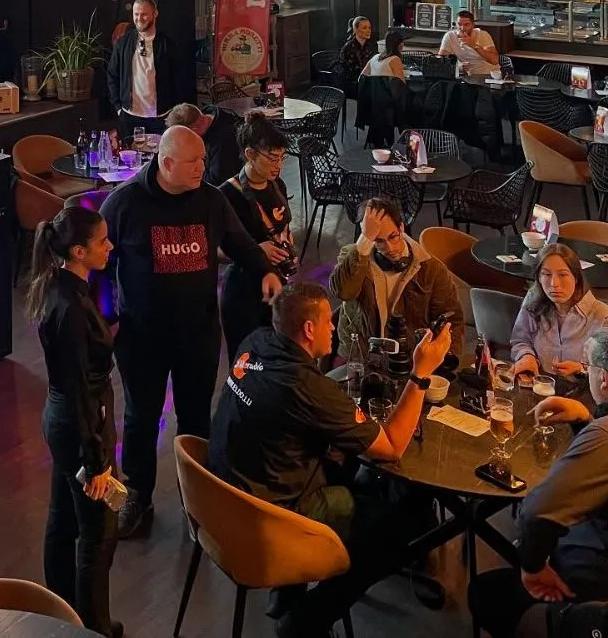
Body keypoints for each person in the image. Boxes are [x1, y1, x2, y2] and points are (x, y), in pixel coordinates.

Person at [208, 282, 452, 638]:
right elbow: (392, 447)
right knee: (400, 528)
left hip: (222, 497)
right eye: (327, 321)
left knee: (349, 467)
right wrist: (420, 373)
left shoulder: (255, 342)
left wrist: (322, 438)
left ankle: (287, 591)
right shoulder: (306, 388)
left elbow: (278, 415)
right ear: (309, 329)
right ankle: (306, 621)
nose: (333, 327)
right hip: (271, 518)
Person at [100, 124, 280, 539]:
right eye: (194, 161)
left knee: (196, 418)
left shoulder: (211, 201)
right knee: (142, 420)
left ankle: (196, 497)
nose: (204, 166)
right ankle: (138, 497)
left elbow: (239, 243)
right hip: (142, 338)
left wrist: (265, 272)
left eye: (203, 159)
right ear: (166, 164)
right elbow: (99, 265)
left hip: (197, 333)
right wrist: (108, 317)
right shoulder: (124, 204)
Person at [470, 326, 608, 638]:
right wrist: (586, 420)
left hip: (603, 595)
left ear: (604, 379)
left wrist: (533, 567)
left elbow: (536, 512)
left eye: (587, 368)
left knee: (485, 592)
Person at [28, 204, 119, 636]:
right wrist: (97, 459)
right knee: (98, 533)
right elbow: (83, 389)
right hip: (80, 425)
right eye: (102, 242)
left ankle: (61, 617)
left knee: (62, 518)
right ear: (80, 251)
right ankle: (94, 629)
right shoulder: (73, 309)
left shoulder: (62, 290)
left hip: (62, 419)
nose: (110, 247)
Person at [330, 196, 464, 364]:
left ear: (401, 227)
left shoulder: (431, 269)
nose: (390, 248)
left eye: (393, 237)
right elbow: (344, 291)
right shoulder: (353, 256)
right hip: (359, 357)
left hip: (409, 361)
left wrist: (446, 361)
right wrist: (364, 242)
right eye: (379, 241)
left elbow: (453, 320)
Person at [219, 114, 296, 362]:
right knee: (244, 362)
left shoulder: (277, 185)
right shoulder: (227, 194)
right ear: (250, 154)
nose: (278, 166)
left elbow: (281, 225)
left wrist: (286, 241)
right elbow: (213, 250)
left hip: (276, 285)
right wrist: (254, 250)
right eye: (272, 158)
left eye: (282, 158)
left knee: (274, 358)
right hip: (243, 292)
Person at [511, 242, 608, 380]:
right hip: (540, 384)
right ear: (538, 278)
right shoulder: (534, 300)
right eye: (546, 274)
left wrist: (582, 369)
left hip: (584, 392)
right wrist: (527, 356)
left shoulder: (602, 316)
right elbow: (520, 340)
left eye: (563, 275)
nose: (554, 284)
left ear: (575, 278)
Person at [106, 0, 179, 140]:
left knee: (158, 159)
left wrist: (174, 110)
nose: (140, 18)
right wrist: (118, 108)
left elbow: (179, 78)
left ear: (155, 14)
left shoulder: (168, 44)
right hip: (130, 117)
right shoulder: (123, 43)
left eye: (144, 14)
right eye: (136, 14)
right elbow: (112, 75)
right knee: (131, 159)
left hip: (161, 117)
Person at [166, 100, 244, 187]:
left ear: (195, 128)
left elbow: (215, 181)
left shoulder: (224, 142)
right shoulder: (204, 114)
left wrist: (187, 169)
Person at [439, 8, 501, 77]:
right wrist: (459, 67)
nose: (462, 28)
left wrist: (473, 45)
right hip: (466, 77)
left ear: (473, 25)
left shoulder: (483, 35)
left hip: (488, 75)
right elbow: (441, 60)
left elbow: (494, 60)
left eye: (466, 25)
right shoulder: (450, 36)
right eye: (459, 24)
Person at [337, 16, 376, 96]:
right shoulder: (348, 48)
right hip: (351, 83)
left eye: (369, 27)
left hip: (366, 79)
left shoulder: (371, 45)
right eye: (364, 28)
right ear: (355, 29)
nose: (368, 31)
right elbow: (350, 73)